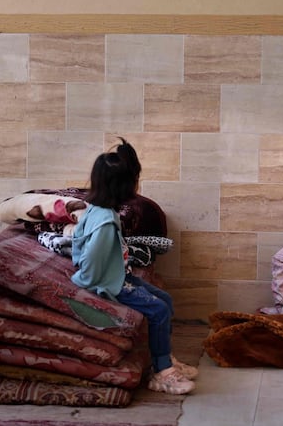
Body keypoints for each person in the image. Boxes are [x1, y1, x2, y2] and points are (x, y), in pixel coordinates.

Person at [71, 138, 198, 395]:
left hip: (116, 275)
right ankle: (162, 372)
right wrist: (99, 290)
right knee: (158, 309)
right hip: (108, 284)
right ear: (125, 186)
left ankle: (164, 356)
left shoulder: (99, 209)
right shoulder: (105, 223)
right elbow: (91, 266)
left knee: (164, 299)